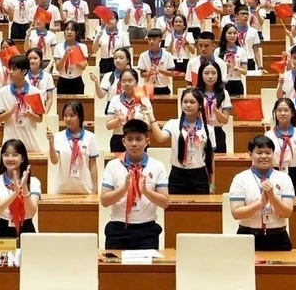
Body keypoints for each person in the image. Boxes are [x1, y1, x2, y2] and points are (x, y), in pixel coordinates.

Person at [100, 119, 169, 250]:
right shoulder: (112, 165)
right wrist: (123, 189)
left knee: (145, 270)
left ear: (147, 142)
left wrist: (146, 191)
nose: (134, 144)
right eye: (130, 139)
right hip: (118, 229)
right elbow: (104, 201)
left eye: (138, 139)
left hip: (147, 230)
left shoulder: (157, 166)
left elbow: (165, 202)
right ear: (123, 141)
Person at [229, 135, 294, 250]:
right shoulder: (240, 179)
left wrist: (272, 197)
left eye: (268, 153)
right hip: (247, 236)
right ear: (250, 154)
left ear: (273, 154)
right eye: (259, 153)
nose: (264, 156)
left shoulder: (284, 178)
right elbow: (236, 213)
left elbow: (287, 213)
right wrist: (261, 203)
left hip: (278, 237)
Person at [147, 88, 216, 194]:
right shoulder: (173, 123)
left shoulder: (208, 129)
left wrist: (212, 184)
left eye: (192, 102)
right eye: (185, 102)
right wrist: (151, 116)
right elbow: (160, 137)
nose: (188, 105)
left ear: (200, 105)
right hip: (177, 175)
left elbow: (210, 160)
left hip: (199, 176)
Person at [0, 139, 41, 238]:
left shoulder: (34, 182)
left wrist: (24, 187)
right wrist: (15, 193)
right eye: (6, 155)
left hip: (27, 230)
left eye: (15, 155)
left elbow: (30, 212)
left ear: (23, 158)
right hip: (3, 230)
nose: (10, 158)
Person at [0, 55, 43, 152]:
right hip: (10, 144)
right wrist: (11, 111)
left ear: (24, 71)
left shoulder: (36, 92)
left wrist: (30, 115)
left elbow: (40, 119)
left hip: (30, 143)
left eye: (14, 69)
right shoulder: (2, 92)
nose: (10, 72)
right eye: (10, 68)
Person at [47, 101, 99, 194]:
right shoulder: (59, 136)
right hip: (62, 189)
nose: (68, 119)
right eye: (65, 115)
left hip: (85, 188)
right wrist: (51, 143)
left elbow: (93, 165)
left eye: (72, 115)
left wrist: (95, 189)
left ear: (80, 116)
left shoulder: (90, 137)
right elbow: (54, 160)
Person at [106, 68, 152, 152]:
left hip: (139, 139)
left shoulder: (144, 99)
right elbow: (108, 126)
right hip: (119, 139)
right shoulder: (115, 99)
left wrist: (136, 121)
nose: (127, 84)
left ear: (136, 82)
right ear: (120, 83)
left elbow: (149, 126)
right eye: (123, 81)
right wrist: (118, 120)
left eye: (130, 81)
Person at [196, 61, 232, 153]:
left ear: (218, 75)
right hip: (199, 132)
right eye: (206, 73)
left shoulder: (224, 93)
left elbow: (225, 120)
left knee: (219, 164)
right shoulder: (195, 93)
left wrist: (215, 110)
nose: (210, 76)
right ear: (201, 75)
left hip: (217, 133)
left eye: (213, 73)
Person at [92, 47, 132, 115]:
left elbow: (137, 93)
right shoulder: (108, 76)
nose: (118, 60)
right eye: (115, 58)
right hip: (112, 108)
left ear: (127, 60)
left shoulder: (132, 75)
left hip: (128, 107)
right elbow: (101, 95)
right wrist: (96, 83)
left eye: (121, 58)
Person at [53, 21, 89, 94]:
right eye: (67, 29)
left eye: (72, 30)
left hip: (77, 81)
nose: (69, 32)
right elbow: (58, 68)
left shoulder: (82, 47)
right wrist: (65, 56)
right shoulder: (58, 47)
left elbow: (83, 67)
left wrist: (73, 57)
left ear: (77, 32)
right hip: (63, 81)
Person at [137, 28, 175, 95]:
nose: (151, 41)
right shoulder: (143, 55)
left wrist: (159, 70)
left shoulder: (168, 55)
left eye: (154, 39)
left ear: (160, 40)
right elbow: (142, 74)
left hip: (163, 88)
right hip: (148, 88)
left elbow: (171, 73)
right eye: (149, 39)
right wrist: (150, 73)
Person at [214, 23, 248, 95]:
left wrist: (236, 68)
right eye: (229, 33)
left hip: (237, 83)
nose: (232, 36)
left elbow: (245, 71)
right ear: (224, 35)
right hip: (222, 83)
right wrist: (224, 67)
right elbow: (214, 70)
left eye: (235, 33)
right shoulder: (217, 51)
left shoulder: (241, 51)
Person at [26, 48, 55, 113]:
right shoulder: (23, 76)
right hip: (26, 109)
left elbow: (49, 99)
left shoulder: (48, 76)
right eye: (29, 59)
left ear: (41, 60)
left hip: (42, 108)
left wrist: (45, 113)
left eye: (35, 58)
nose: (32, 61)